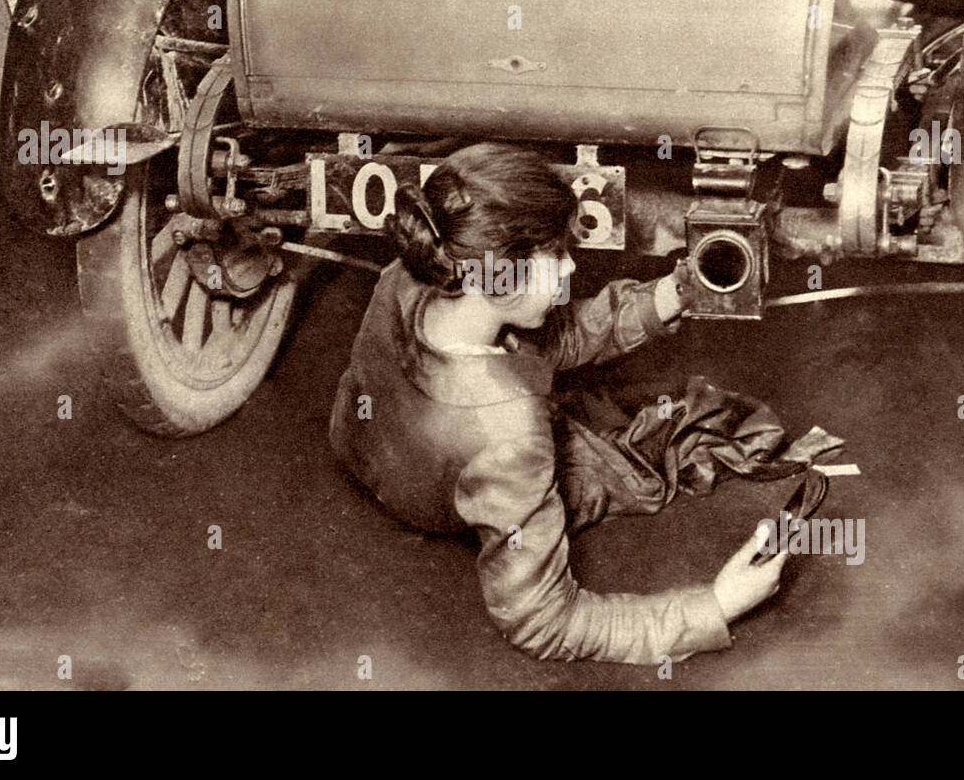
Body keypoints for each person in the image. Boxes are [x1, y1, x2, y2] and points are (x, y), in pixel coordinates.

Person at [328, 142, 842, 664]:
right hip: (442, 496)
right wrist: (717, 604)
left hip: (370, 454)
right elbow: (545, 622)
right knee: (659, 448)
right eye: (557, 254)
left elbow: (548, 341)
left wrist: (669, 295)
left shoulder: (412, 275)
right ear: (502, 272)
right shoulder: (511, 434)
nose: (572, 266)